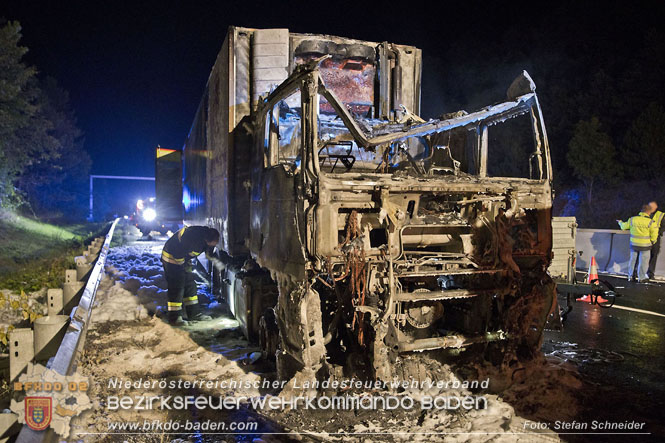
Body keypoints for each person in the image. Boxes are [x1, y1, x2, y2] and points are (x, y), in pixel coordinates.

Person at [161, 226, 221, 325]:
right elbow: (177, 252)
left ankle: (194, 314)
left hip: (183, 261)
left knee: (190, 285)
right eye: (214, 243)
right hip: (171, 258)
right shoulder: (192, 238)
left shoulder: (206, 237)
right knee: (177, 286)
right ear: (207, 240)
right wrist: (183, 266)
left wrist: (217, 262)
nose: (215, 245)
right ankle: (175, 318)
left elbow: (208, 253)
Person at [618, 205, 659, 283]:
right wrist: (652, 241)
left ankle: (630, 276)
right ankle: (641, 278)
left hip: (634, 245)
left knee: (632, 260)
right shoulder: (651, 222)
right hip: (645, 246)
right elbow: (654, 235)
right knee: (643, 262)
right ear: (649, 212)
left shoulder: (633, 219)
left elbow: (624, 227)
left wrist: (620, 222)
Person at [647, 201, 664, 279]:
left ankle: (650, 273)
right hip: (646, 237)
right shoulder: (645, 213)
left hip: (656, 238)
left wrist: (658, 232)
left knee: (653, 255)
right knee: (642, 255)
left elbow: (663, 226)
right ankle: (638, 271)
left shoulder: (661, 215)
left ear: (656, 207)